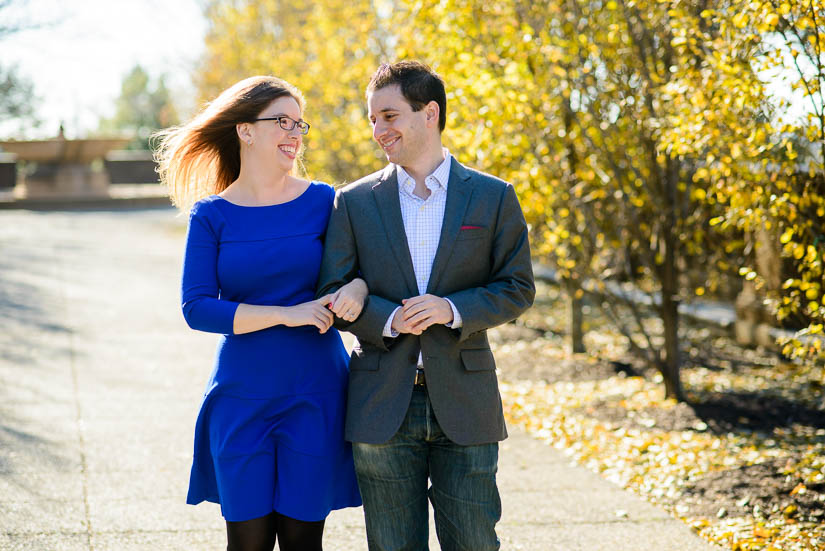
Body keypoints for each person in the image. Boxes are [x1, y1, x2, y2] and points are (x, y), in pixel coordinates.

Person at [317, 61, 535, 551]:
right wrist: (388, 318)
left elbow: (517, 286)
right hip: (381, 406)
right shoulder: (352, 202)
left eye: (389, 116)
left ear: (429, 113)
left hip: (466, 399)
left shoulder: (492, 196)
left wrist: (451, 309)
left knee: (475, 543)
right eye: (373, 119)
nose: (379, 130)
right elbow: (332, 289)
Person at [155, 76, 362, 551]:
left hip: (317, 393)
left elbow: (363, 271)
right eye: (281, 122)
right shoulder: (211, 214)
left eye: (299, 124)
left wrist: (358, 285)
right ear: (245, 130)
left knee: (302, 542)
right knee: (246, 543)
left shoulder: (325, 201)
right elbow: (198, 307)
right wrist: (286, 314)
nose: (295, 133)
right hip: (242, 395)